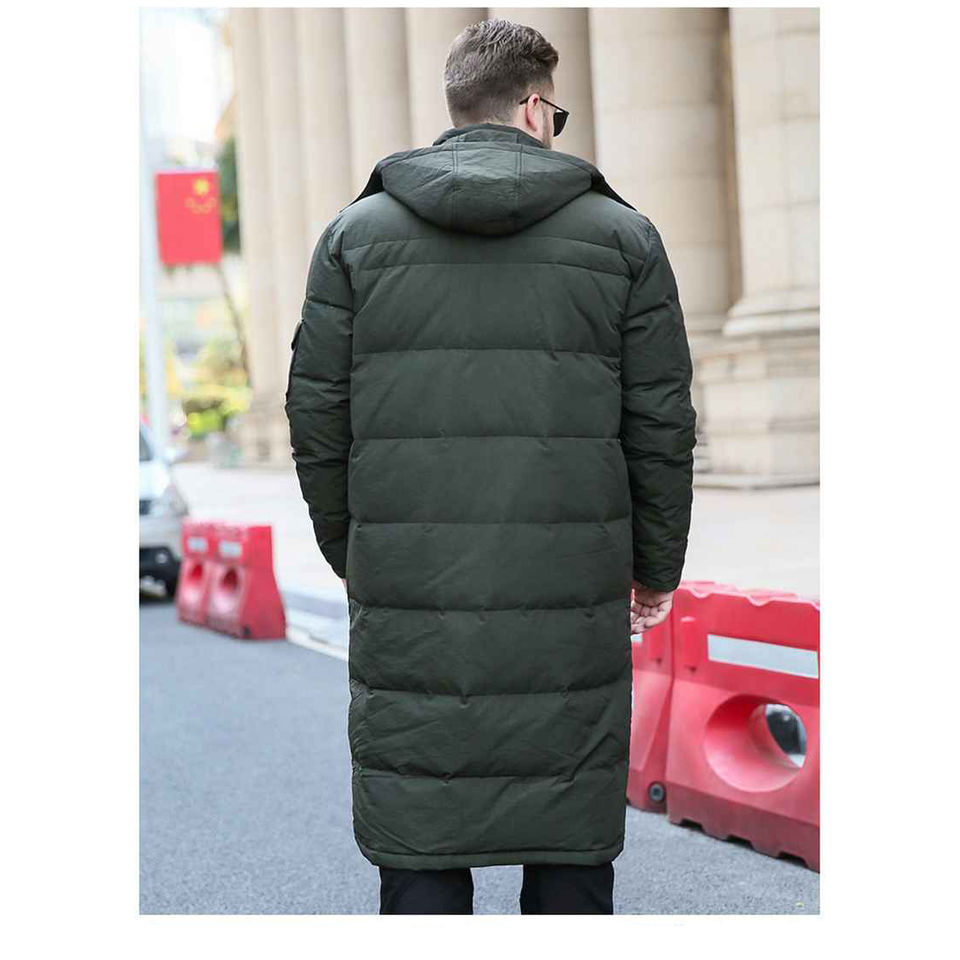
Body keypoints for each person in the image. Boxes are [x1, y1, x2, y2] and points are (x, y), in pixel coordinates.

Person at [285, 18, 696, 915]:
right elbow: (660, 422)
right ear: (537, 109)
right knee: (568, 836)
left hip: (412, 591)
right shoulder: (622, 238)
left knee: (422, 840)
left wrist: (356, 550)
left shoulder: (354, 238)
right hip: (570, 588)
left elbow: (315, 417)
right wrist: (656, 566)